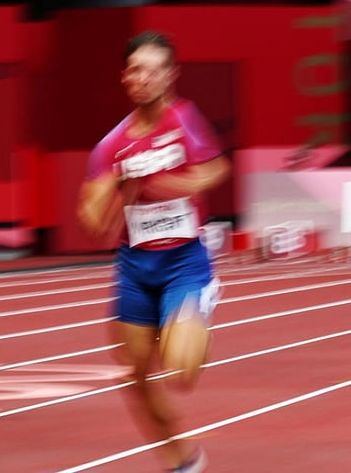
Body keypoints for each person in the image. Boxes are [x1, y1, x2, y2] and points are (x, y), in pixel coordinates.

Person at [77, 30, 230, 472]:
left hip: (183, 260)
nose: (145, 78)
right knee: (136, 375)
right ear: (125, 77)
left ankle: (197, 313)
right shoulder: (111, 146)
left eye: (155, 69)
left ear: (170, 76)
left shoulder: (183, 119)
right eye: (137, 69)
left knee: (182, 372)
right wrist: (121, 190)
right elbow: (90, 220)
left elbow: (214, 170)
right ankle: (180, 459)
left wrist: (167, 182)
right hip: (134, 267)